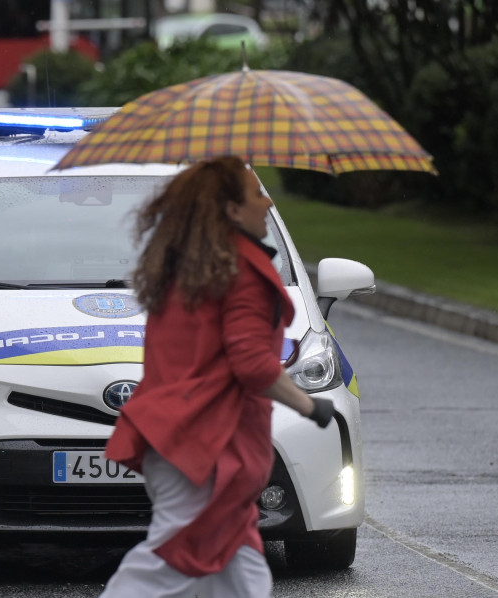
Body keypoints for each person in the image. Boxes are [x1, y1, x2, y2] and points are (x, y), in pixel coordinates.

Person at [99, 156, 335, 598]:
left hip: (185, 441)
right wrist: (308, 405)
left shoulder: (190, 268)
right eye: (256, 193)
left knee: (242, 572)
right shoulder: (239, 272)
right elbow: (251, 364)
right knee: (173, 559)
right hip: (203, 447)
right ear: (230, 210)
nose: (267, 201)